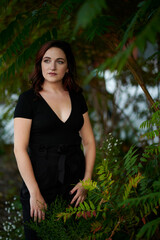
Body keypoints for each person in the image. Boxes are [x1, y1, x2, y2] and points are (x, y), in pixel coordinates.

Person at [13, 40, 96, 239]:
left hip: (74, 189)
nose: (52, 67)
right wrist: (34, 192)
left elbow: (89, 142)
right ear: (40, 64)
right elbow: (19, 149)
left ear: (67, 67)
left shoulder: (77, 97)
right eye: (47, 60)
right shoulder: (28, 99)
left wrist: (86, 181)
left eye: (59, 61)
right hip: (39, 186)